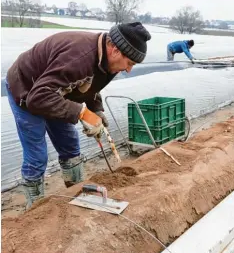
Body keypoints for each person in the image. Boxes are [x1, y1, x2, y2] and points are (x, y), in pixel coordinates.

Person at [5, 22, 151, 208]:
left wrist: (96, 109)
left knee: (70, 146)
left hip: (56, 91)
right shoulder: (79, 57)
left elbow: (92, 85)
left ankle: (76, 193)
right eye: (129, 63)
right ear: (115, 50)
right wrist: (82, 113)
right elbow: (38, 98)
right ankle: (36, 210)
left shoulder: (109, 61)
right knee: (37, 156)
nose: (129, 69)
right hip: (27, 89)